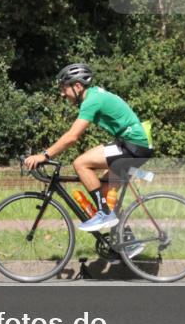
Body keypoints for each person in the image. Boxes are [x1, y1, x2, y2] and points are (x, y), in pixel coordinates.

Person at [24, 63, 153, 236]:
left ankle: (104, 215)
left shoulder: (91, 101)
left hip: (133, 145)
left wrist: (44, 155)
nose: (63, 94)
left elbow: (72, 136)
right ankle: (128, 242)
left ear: (77, 86)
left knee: (80, 163)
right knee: (107, 194)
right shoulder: (95, 95)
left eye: (64, 88)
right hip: (134, 144)